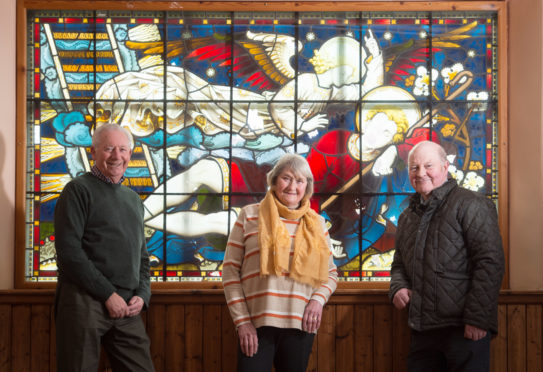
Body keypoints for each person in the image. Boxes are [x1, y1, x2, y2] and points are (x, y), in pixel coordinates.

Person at [389, 141, 505, 372]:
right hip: (422, 329)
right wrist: (398, 287)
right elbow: (399, 264)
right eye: (414, 168)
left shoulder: (472, 204)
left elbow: (489, 262)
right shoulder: (407, 217)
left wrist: (478, 319)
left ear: (445, 167)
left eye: (428, 165)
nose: (421, 173)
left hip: (464, 328)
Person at [222, 153, 338, 372]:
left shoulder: (318, 224)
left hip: (300, 325)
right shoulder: (249, 216)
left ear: (307, 187)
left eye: (300, 180)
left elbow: (331, 274)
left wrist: (317, 301)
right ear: (274, 181)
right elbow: (230, 272)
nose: (293, 186)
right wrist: (242, 322)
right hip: (255, 326)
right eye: (286, 178)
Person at [54, 123, 155, 372]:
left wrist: (142, 295)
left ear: (130, 154)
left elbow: (141, 258)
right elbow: (69, 254)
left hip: (128, 305)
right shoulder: (77, 190)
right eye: (109, 148)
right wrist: (108, 294)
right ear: (93, 151)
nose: (116, 156)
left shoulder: (133, 200)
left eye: (123, 149)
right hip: (84, 301)